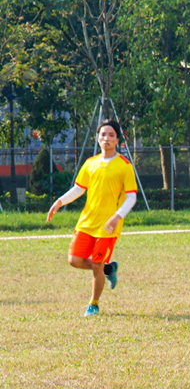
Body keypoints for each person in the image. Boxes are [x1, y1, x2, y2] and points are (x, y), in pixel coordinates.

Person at [47, 119, 138, 317]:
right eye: (103, 134)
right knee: (74, 260)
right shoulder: (90, 163)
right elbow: (79, 189)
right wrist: (60, 202)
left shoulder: (124, 165)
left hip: (108, 226)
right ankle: (108, 268)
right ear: (97, 138)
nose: (106, 138)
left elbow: (132, 196)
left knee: (96, 264)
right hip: (87, 222)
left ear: (117, 141)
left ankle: (94, 304)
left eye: (111, 135)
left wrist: (116, 217)